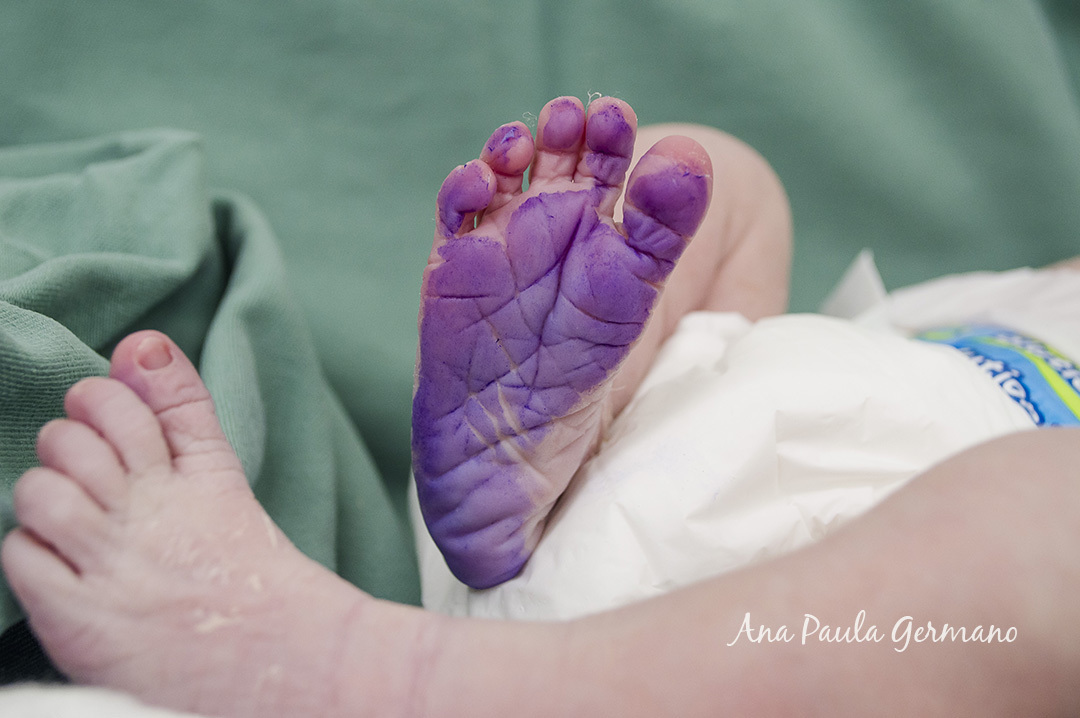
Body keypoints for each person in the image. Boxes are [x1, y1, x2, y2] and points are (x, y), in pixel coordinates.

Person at [2, 96, 1079, 717]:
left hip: (891, 633)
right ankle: (558, 440)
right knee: (723, 189)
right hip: (709, 482)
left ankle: (372, 668)